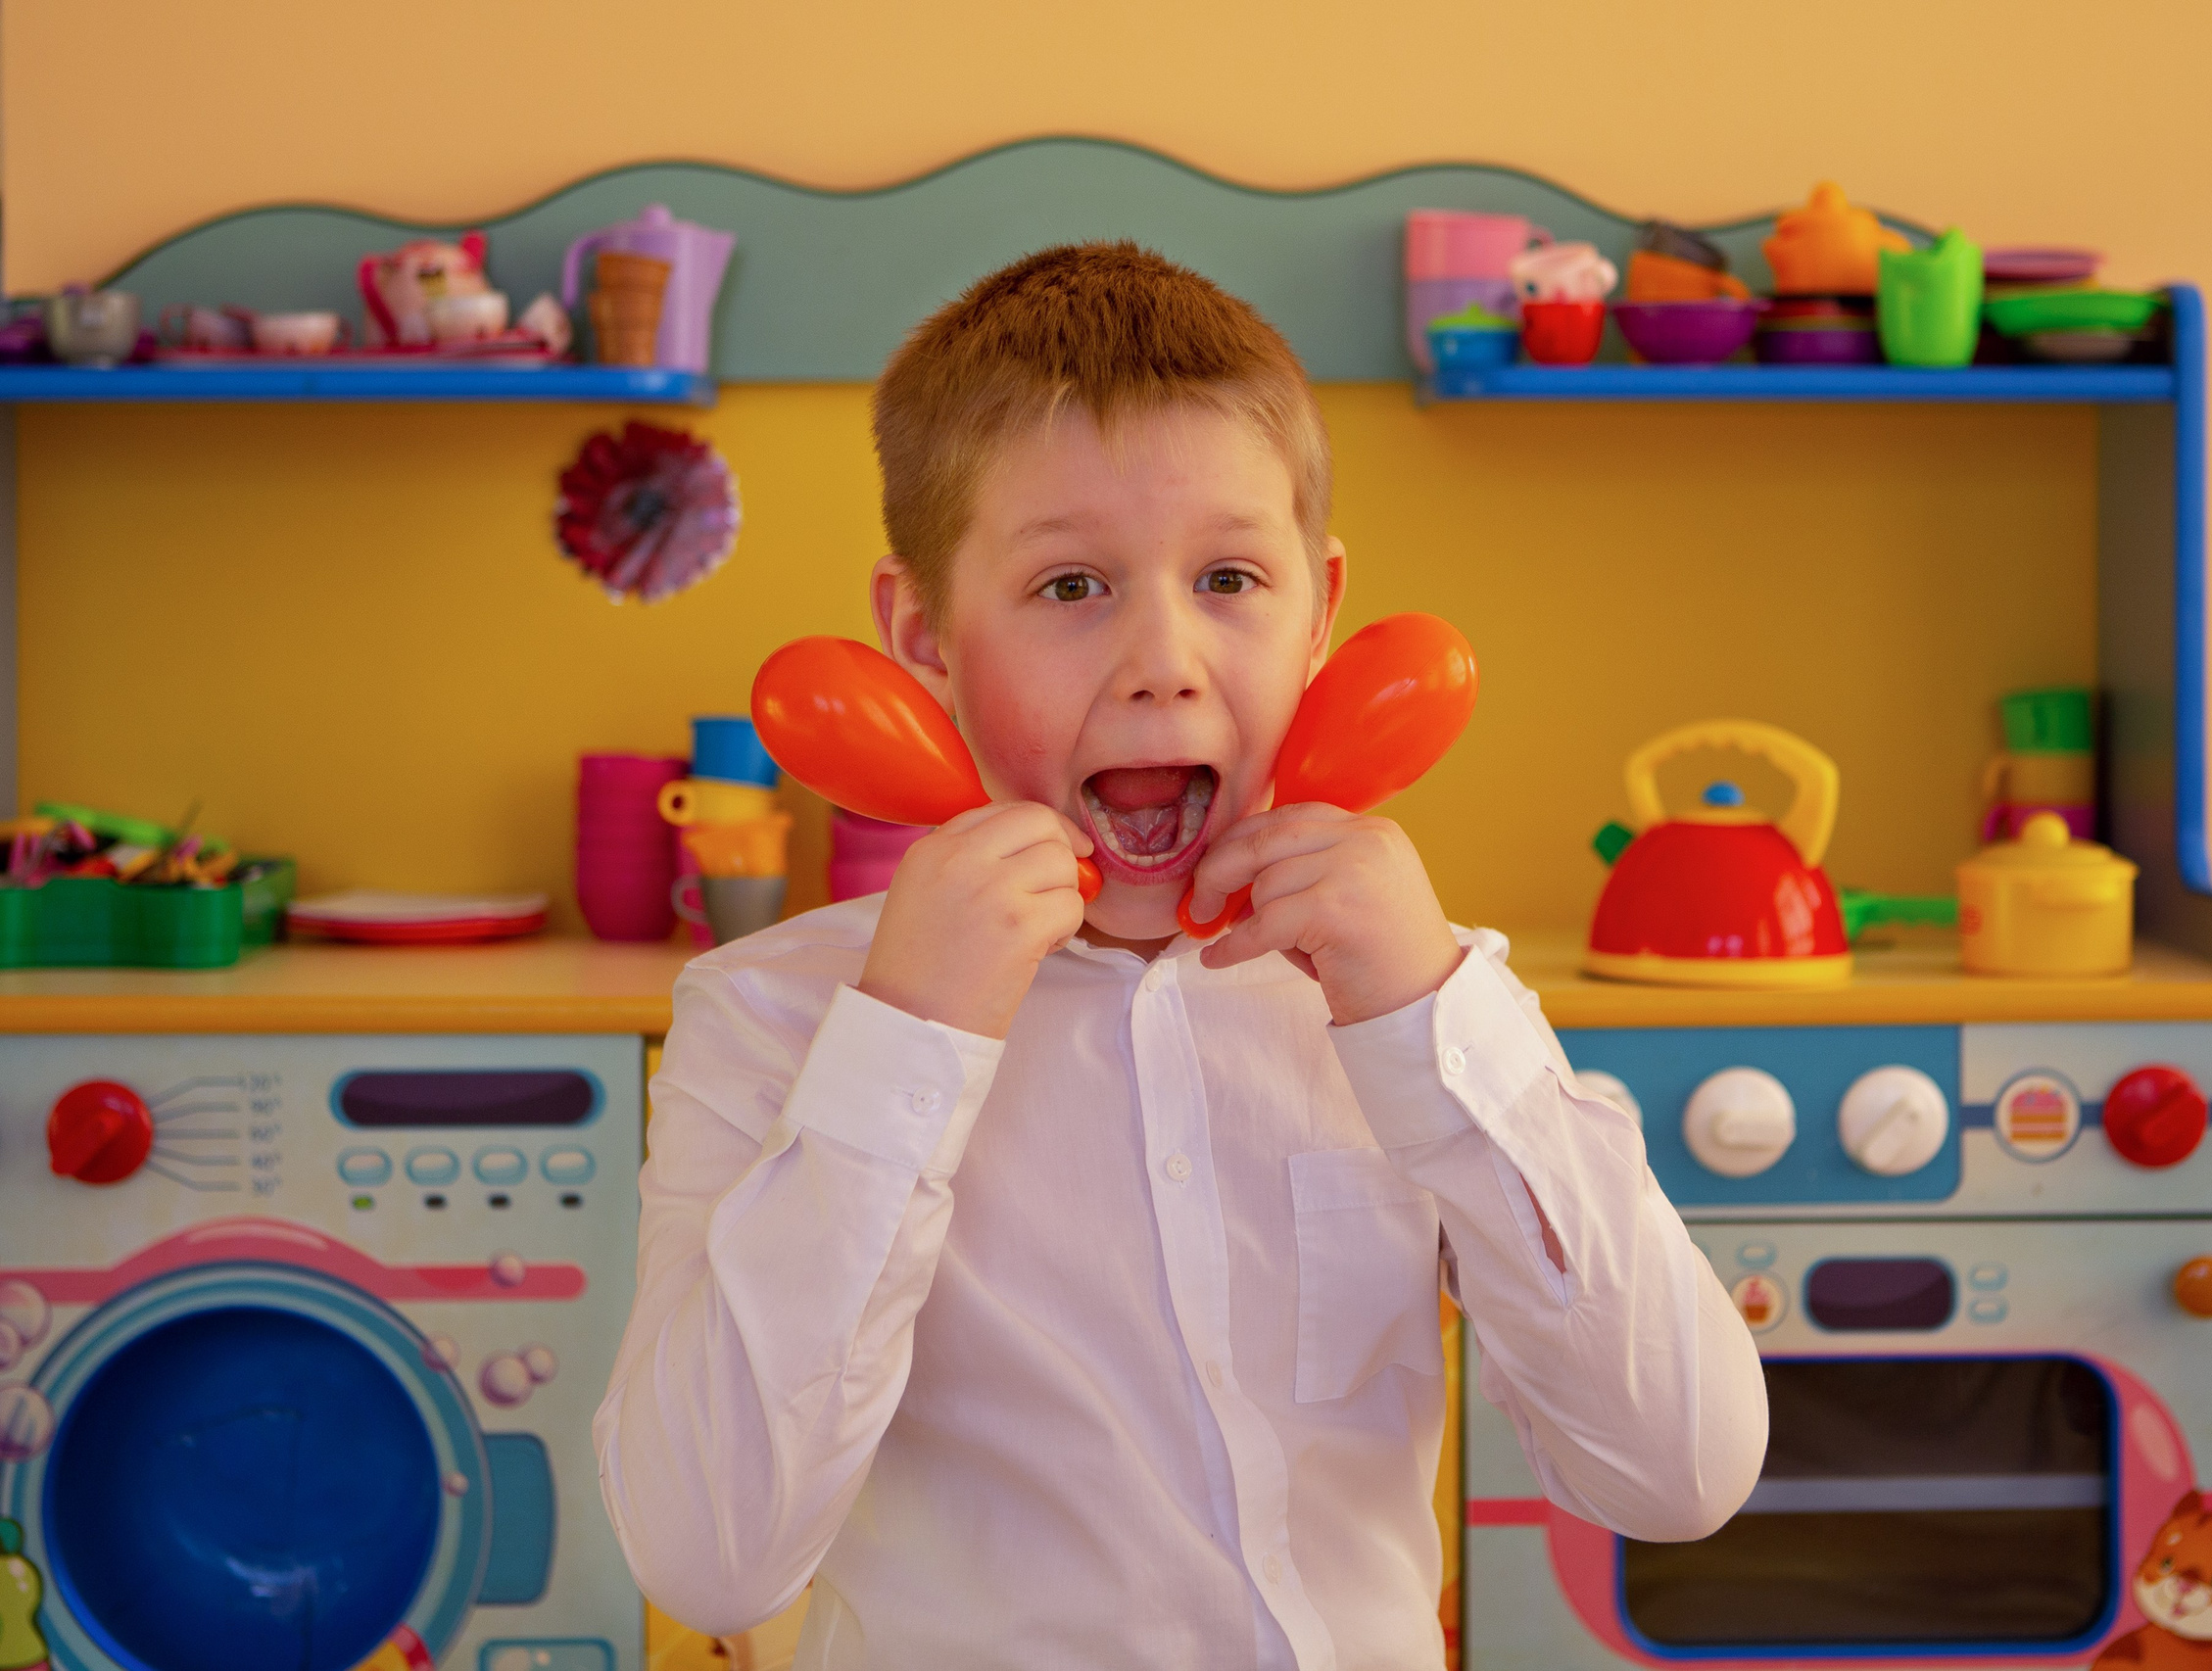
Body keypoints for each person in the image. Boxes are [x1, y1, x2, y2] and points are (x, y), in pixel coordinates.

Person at [595, 241, 1767, 1670]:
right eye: (1071, 585)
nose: (1164, 657)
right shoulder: (771, 1016)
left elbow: (1681, 1471)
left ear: (1322, 610)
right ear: (922, 637)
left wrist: (1436, 1025)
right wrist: (907, 1039)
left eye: (1228, 575)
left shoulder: (1432, 994)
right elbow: (707, 1553)